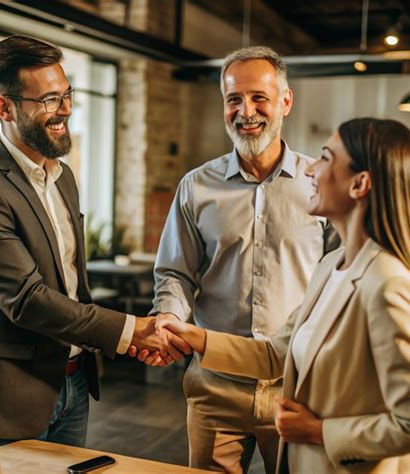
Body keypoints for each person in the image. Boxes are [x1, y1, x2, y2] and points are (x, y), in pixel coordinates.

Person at [0, 35, 189, 450]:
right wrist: (132, 331)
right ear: (4, 107)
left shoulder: (63, 177)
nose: (66, 110)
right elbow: (27, 299)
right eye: (49, 100)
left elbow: (69, 283)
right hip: (9, 393)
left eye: (67, 94)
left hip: (74, 382)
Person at [156, 118, 410, 473]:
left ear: (360, 184)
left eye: (326, 158)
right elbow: (274, 353)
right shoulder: (331, 267)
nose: (310, 169)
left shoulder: (388, 283)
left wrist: (320, 432)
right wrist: (195, 337)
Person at [134, 46, 339, 473]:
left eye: (259, 97)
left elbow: (339, 280)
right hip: (215, 383)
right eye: (234, 99)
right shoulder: (196, 186)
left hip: (296, 384)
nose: (246, 111)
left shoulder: (318, 184)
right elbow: (175, 273)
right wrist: (167, 324)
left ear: (285, 101)